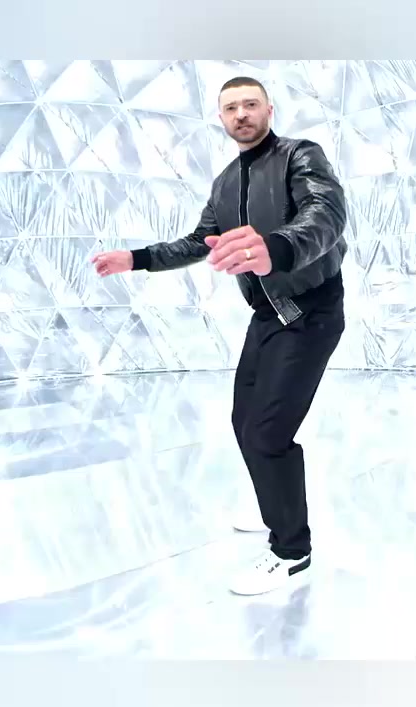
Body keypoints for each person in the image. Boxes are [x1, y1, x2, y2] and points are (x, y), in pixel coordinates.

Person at [90, 76, 347, 597]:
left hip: (312, 310)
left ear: (269, 110)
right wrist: (137, 259)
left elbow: (326, 214)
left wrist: (279, 247)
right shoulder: (227, 182)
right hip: (268, 315)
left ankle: (291, 552)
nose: (241, 114)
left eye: (250, 104)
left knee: (267, 433)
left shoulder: (300, 155)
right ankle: (275, 503)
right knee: (243, 421)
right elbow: (197, 242)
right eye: (231, 108)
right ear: (222, 118)